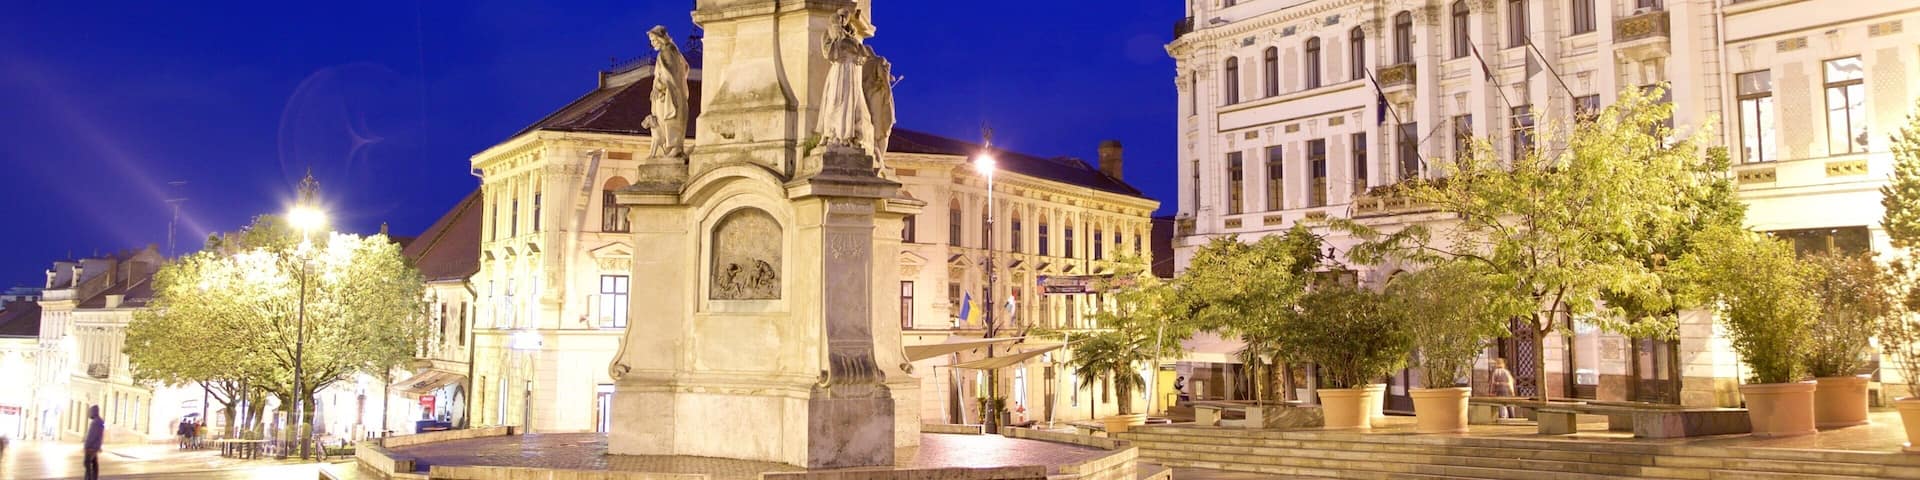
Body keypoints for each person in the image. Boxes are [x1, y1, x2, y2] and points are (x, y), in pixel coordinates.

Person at [84, 405, 104, 480]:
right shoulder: (100, 421)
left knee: (87, 464)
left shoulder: (95, 423)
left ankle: (89, 478)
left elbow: (91, 436)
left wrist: (86, 446)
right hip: (95, 447)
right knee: (94, 464)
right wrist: (98, 446)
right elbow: (99, 436)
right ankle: (93, 478)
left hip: (90, 448)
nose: (89, 414)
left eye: (90, 412)